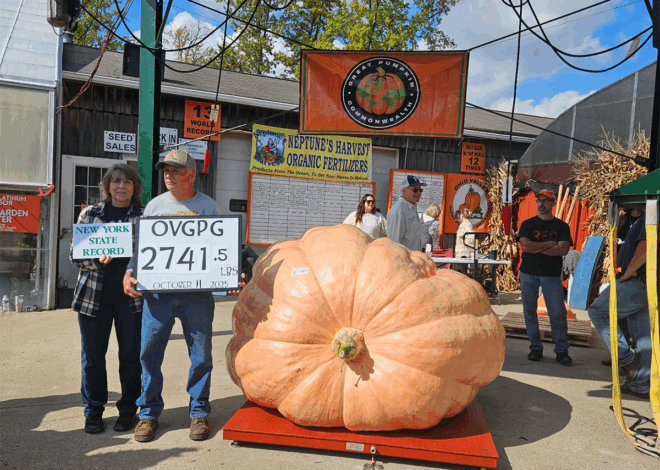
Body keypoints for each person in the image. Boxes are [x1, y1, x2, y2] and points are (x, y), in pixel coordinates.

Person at [123, 150, 221, 443]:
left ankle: (199, 412)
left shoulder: (209, 207)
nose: (169, 174)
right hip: (158, 296)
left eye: (176, 170)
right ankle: (149, 414)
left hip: (197, 296)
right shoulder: (154, 207)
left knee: (201, 355)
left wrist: (231, 274)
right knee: (149, 354)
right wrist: (129, 271)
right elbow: (142, 248)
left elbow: (221, 247)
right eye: (166, 170)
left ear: (192, 175)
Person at [70, 163, 144, 434]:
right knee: (92, 358)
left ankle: (127, 411)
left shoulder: (144, 217)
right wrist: (96, 263)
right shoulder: (90, 214)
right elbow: (75, 256)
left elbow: (151, 257)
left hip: (130, 300)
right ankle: (93, 411)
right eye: (116, 182)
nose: (121, 187)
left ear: (134, 187)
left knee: (130, 357)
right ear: (107, 186)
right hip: (93, 298)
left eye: (127, 182)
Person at [588, 212, 652, 399]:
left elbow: (647, 244)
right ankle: (639, 384)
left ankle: (626, 358)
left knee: (598, 311)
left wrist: (629, 271)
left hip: (637, 280)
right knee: (643, 338)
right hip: (646, 283)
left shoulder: (653, 211)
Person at [518, 189, 573, 365]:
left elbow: (563, 249)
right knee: (529, 311)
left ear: (553, 203)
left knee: (557, 313)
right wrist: (550, 244)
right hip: (528, 273)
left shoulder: (561, 226)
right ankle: (535, 347)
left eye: (545, 200)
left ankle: (561, 350)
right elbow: (525, 247)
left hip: (551, 275)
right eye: (538, 201)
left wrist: (537, 247)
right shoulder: (528, 224)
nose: (541, 204)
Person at [387, 175, 426, 251]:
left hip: (412, 260)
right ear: (404, 190)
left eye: (420, 190)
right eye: (415, 190)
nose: (418, 193)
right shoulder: (398, 211)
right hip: (403, 261)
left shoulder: (411, 208)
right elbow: (393, 245)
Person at [454, 208, 475, 274]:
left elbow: (471, 236)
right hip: (461, 251)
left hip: (464, 252)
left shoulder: (467, 224)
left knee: (463, 272)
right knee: (461, 271)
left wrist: (464, 242)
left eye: (460, 214)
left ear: (462, 215)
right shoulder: (465, 224)